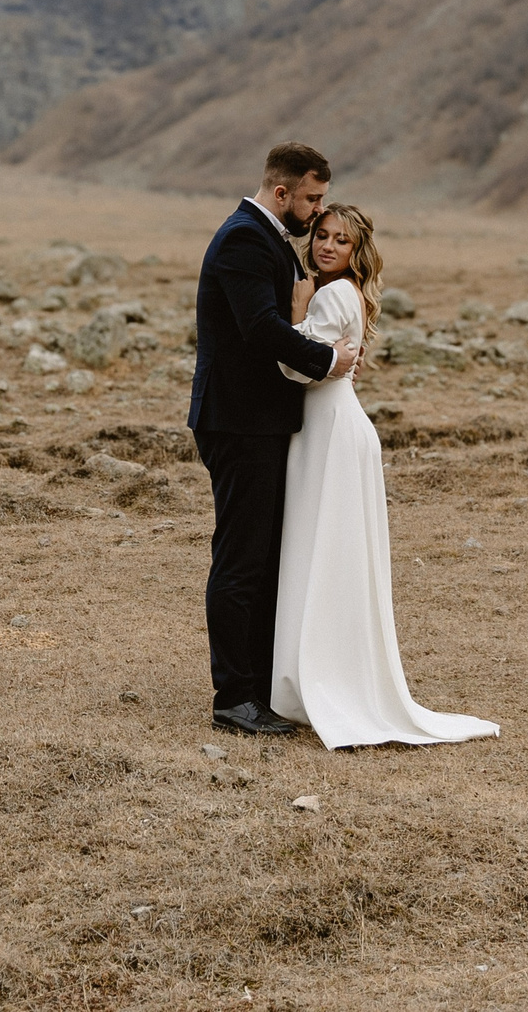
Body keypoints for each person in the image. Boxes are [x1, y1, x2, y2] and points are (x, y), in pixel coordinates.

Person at [270, 203, 499, 748]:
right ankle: (321, 673)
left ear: (357, 251)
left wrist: (295, 312)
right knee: (330, 551)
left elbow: (294, 365)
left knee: (324, 550)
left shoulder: (329, 294)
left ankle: (320, 678)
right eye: (321, 235)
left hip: (330, 433)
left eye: (341, 241)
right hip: (333, 429)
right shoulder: (345, 292)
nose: (326, 246)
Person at [189, 142, 360, 736]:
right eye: (311, 199)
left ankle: (258, 687)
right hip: (238, 423)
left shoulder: (268, 240)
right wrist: (327, 360)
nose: (317, 213)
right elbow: (259, 329)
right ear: (281, 192)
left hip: (259, 422)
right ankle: (234, 698)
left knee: (260, 556)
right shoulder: (244, 238)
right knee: (240, 559)